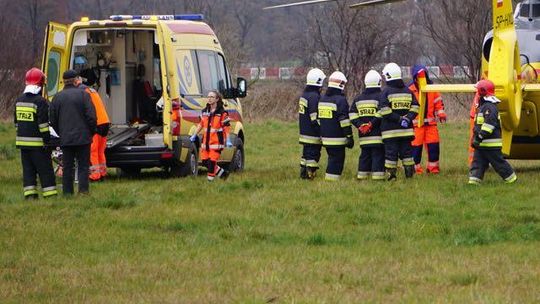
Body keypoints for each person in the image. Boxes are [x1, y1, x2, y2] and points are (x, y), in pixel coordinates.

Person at [49, 70, 97, 195]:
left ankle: (67, 193)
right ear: (76, 80)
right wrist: (91, 132)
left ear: (64, 81)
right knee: (83, 166)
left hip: (66, 138)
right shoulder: (84, 95)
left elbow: (53, 120)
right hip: (83, 137)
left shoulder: (57, 97)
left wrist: (61, 132)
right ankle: (83, 191)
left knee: (67, 166)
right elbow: (91, 116)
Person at [14, 68, 58, 199]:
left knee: (28, 171)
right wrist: (47, 141)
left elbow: (16, 123)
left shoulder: (18, 100)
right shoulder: (40, 101)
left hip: (22, 143)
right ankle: (50, 195)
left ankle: (30, 195)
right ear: (40, 85)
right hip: (38, 144)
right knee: (45, 170)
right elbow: (43, 125)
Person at [469, 79, 517, 184]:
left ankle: (511, 179)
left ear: (482, 92)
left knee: (499, 164)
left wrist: (479, 137)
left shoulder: (489, 107)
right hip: (482, 144)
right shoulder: (483, 106)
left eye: (477, 91)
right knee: (477, 163)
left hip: (490, 145)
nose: (476, 93)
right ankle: (473, 182)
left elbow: (488, 125)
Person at [379, 62, 419, 180]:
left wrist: (398, 119)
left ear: (388, 76)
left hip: (390, 133)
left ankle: (391, 176)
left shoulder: (386, 92)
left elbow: (384, 110)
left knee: (391, 155)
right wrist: (407, 118)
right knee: (407, 155)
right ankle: (409, 176)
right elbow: (416, 106)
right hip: (406, 132)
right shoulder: (408, 91)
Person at [408, 65, 447, 174]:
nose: (422, 78)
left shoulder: (432, 88)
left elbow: (439, 103)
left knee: (433, 147)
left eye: (423, 76)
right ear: (415, 77)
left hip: (430, 124)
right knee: (416, 149)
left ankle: (433, 169)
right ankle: (415, 170)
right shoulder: (410, 90)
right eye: (419, 76)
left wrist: (441, 114)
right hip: (416, 126)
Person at [349, 70, 385, 181]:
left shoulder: (358, 98)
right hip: (378, 135)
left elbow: (352, 114)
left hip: (364, 136)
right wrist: (371, 124)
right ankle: (377, 178)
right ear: (379, 82)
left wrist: (361, 126)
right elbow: (382, 112)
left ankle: (362, 176)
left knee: (365, 156)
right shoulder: (381, 96)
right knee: (377, 156)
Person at [318, 71, 353, 181]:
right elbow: (344, 121)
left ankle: (330, 180)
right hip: (337, 139)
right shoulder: (340, 100)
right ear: (341, 84)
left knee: (332, 158)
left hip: (325, 138)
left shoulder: (322, 99)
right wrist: (349, 136)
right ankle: (332, 182)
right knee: (337, 160)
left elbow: (320, 119)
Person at [190, 90, 231, 181]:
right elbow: (201, 124)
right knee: (205, 162)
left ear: (217, 99)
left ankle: (210, 181)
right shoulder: (205, 111)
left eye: (212, 97)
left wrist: (228, 139)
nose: (209, 98)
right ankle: (223, 174)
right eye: (208, 97)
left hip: (216, 142)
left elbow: (227, 127)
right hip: (206, 143)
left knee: (212, 162)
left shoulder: (222, 113)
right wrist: (194, 134)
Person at [298, 68, 326, 179]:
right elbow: (314, 118)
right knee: (313, 155)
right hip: (312, 134)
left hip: (304, 133)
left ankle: (303, 173)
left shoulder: (304, 95)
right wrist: (322, 131)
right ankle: (310, 174)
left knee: (306, 154)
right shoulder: (314, 97)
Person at [80, 82, 110, 182]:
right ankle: (102, 173)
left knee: (93, 151)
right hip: (105, 122)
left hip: (96, 123)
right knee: (101, 151)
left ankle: (95, 176)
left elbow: (86, 110)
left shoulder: (83, 93)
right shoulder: (91, 90)